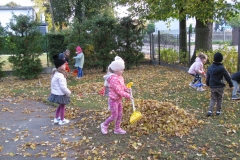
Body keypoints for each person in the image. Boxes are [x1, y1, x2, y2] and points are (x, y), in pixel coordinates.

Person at [100, 57, 132, 135]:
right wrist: (127, 95)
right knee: (114, 115)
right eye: (121, 70)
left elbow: (122, 87)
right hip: (113, 100)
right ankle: (104, 125)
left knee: (120, 114)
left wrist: (127, 89)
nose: (123, 71)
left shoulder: (120, 77)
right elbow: (118, 91)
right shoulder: (113, 79)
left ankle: (117, 129)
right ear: (116, 70)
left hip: (119, 100)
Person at [206, 52, 233, 116]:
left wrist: (207, 84)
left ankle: (210, 110)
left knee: (213, 98)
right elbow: (227, 77)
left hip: (212, 86)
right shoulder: (222, 68)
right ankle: (218, 111)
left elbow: (208, 76)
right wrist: (231, 85)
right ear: (221, 59)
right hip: (220, 86)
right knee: (219, 98)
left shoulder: (210, 67)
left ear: (214, 59)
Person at [48, 55, 71, 125]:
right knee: (63, 106)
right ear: (60, 66)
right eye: (64, 65)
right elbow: (63, 87)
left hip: (56, 93)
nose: (65, 66)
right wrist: (68, 92)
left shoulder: (56, 73)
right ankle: (62, 120)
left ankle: (56, 118)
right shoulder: (60, 76)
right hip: (61, 94)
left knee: (60, 106)